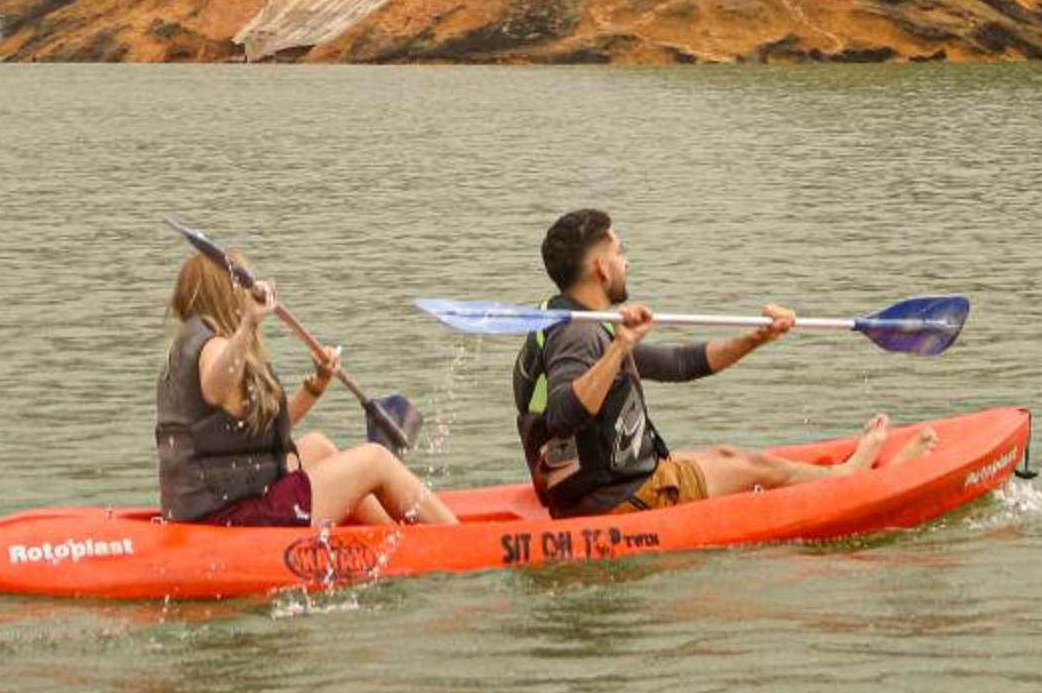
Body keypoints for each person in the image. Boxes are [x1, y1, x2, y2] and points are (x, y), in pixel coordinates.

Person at [514, 208, 937, 516]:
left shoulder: (575, 322)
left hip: (595, 488)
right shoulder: (582, 334)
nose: (627, 262)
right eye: (621, 252)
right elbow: (563, 416)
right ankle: (858, 480)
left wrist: (756, 337)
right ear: (601, 269)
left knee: (728, 454)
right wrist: (620, 348)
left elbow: (680, 363)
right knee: (759, 467)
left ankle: (847, 472)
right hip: (616, 501)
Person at [158, 248, 456, 529]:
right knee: (374, 459)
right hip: (235, 516)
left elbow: (260, 431)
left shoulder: (188, 346)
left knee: (318, 447)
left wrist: (317, 384)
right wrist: (248, 326)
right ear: (227, 294)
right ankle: (455, 538)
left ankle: (390, 536)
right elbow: (216, 389)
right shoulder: (217, 349)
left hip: (208, 506)